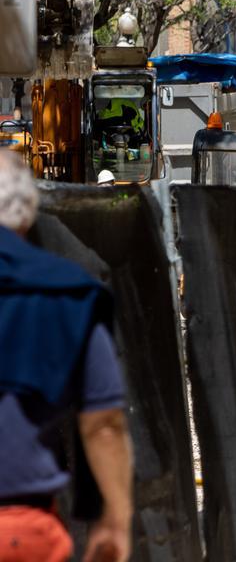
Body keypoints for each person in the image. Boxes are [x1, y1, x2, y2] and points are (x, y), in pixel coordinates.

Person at [0, 149, 132, 562]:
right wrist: (115, 519)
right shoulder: (68, 294)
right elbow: (103, 424)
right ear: (28, 213)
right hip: (22, 530)